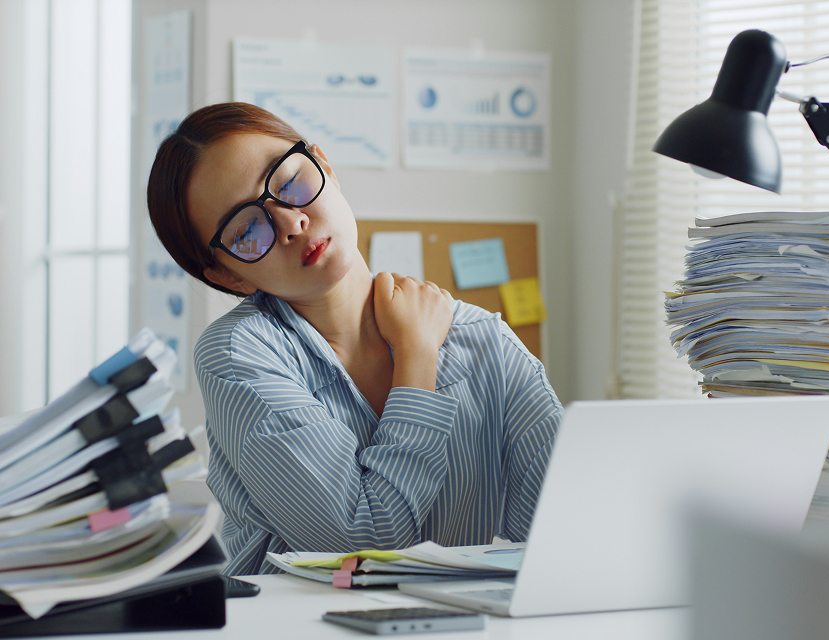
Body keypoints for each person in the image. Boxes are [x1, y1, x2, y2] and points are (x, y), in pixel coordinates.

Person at [146, 102, 563, 575]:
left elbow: (564, 526)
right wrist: (417, 358)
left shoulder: (484, 341)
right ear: (228, 277)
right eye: (245, 229)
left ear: (324, 164)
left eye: (288, 183)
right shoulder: (238, 354)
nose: (290, 223)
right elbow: (363, 543)